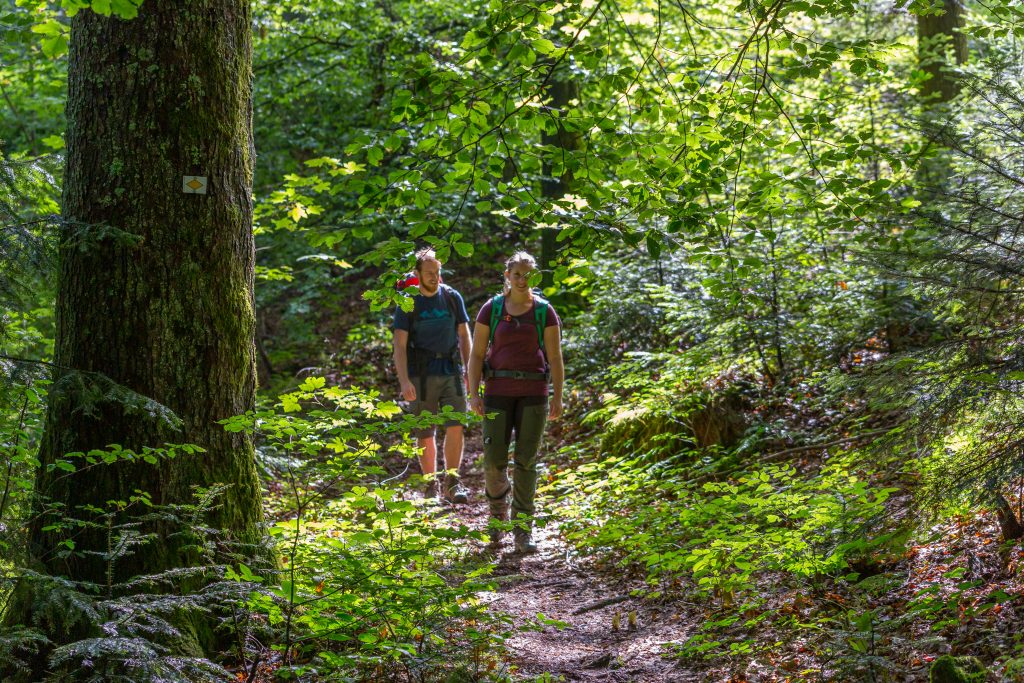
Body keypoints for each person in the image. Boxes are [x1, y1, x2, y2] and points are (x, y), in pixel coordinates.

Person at [467, 251, 564, 554]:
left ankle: (523, 529)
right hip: (496, 394)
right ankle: (497, 520)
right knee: (494, 460)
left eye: (529, 275)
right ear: (507, 276)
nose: (523, 280)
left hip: (534, 395)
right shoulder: (491, 309)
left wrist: (557, 396)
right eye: (517, 274)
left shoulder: (544, 312)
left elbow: (555, 358)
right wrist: (473, 392)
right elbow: (477, 354)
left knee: (526, 461)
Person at [393, 248, 472, 503]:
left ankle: (452, 481)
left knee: (456, 426)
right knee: (425, 432)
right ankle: (430, 484)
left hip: (451, 371)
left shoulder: (452, 297)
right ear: (417, 274)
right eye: (429, 273)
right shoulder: (408, 301)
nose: (435, 277)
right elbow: (399, 345)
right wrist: (404, 380)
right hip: (421, 376)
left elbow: (464, 334)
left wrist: (470, 370)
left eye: (437, 272)